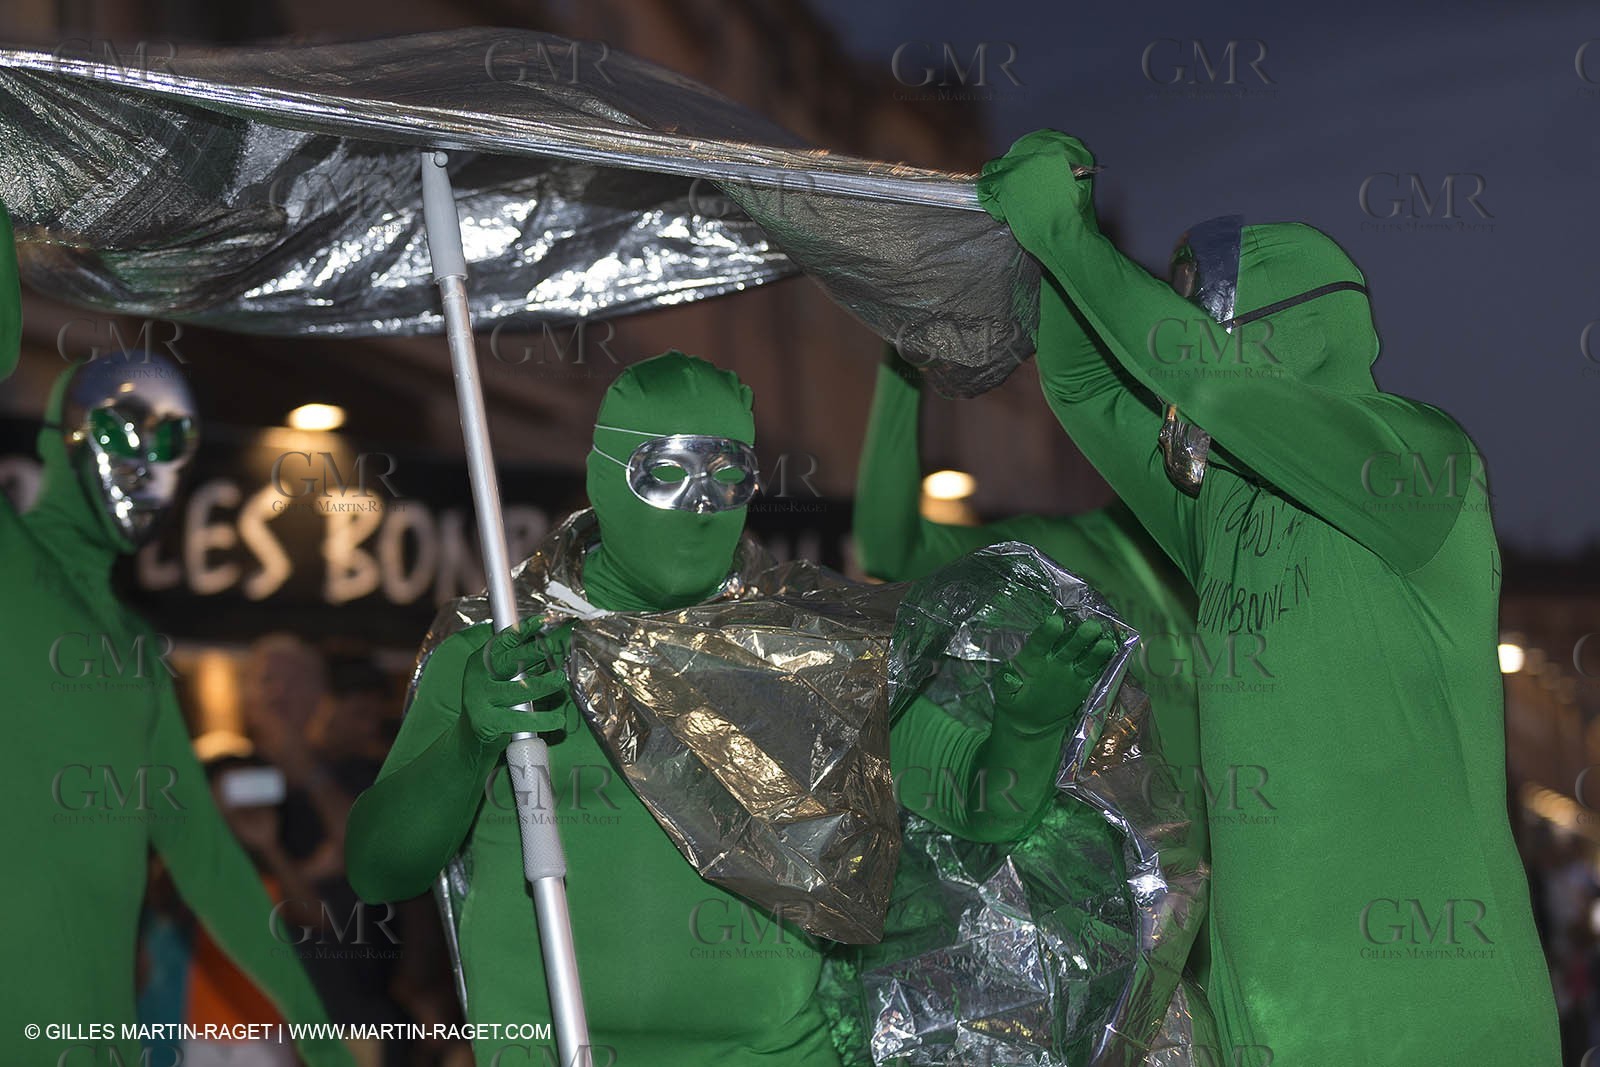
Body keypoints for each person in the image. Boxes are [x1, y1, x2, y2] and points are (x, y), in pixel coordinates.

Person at [346, 351, 1114, 1066]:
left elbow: (980, 805)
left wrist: (1029, 726)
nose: (699, 505)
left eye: (727, 475)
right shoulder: (502, 654)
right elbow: (380, 869)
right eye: (667, 471)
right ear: (603, 476)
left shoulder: (804, 656)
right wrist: (472, 737)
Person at [974, 129, 1561, 1064]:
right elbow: (1084, 387)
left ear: (1280, 326)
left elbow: (1213, 385)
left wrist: (1073, 242)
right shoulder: (1224, 507)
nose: (1173, 389)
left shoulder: (1422, 462)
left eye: (1195, 322)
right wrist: (1047, 249)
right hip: (1269, 1026)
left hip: (1438, 1019)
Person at [0, 336, 350, 1063]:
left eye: (174, 440)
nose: (147, 463)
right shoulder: (13, 568)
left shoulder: (135, 650)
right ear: (53, 436)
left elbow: (211, 864)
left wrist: (325, 1045)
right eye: (122, 429)